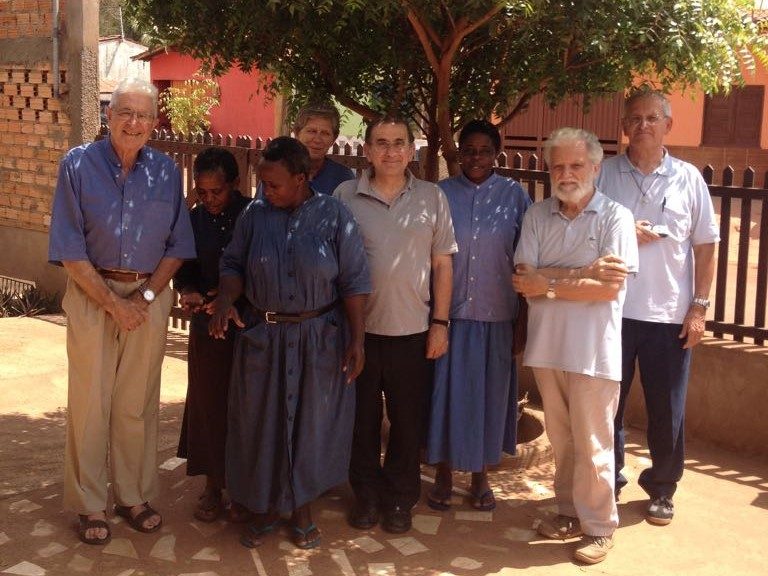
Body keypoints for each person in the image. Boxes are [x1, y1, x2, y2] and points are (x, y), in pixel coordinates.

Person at [48, 78, 196, 545]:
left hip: (147, 298)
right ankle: (91, 504)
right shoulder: (77, 165)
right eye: (125, 112)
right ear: (108, 115)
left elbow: (178, 245)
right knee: (91, 404)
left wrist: (146, 299)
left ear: (154, 123)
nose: (134, 123)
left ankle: (133, 496)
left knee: (137, 403)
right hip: (93, 295)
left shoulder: (167, 173)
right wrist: (113, 302)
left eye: (143, 115)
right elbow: (70, 249)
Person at [209, 136, 370, 550]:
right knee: (260, 424)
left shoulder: (335, 216)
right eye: (262, 184)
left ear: (302, 178)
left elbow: (354, 281)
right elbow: (232, 262)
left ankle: (302, 511)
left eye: (275, 184)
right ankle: (263, 509)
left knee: (312, 425)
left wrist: (358, 340)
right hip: (264, 336)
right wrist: (226, 298)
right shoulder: (254, 216)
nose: (266, 191)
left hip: (319, 338)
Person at [513, 127, 638, 564]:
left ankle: (600, 526)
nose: (566, 174)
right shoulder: (536, 215)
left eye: (576, 165)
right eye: (558, 166)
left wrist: (547, 281)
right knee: (563, 440)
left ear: (595, 167)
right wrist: (578, 274)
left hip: (594, 351)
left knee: (594, 442)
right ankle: (567, 510)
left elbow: (607, 290)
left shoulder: (616, 217)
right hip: (548, 349)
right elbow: (523, 279)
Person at [597, 89, 719, 525]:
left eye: (653, 117)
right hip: (609, 312)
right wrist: (623, 225)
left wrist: (698, 308)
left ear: (668, 124)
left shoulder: (688, 179)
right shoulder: (604, 174)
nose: (644, 124)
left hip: (669, 317)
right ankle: (606, 483)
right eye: (636, 117)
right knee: (606, 404)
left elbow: (705, 247)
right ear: (625, 126)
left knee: (667, 408)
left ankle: (663, 488)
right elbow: (582, 224)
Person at [335, 115, 457, 534]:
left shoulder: (432, 197)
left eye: (398, 143)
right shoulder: (344, 196)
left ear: (412, 150)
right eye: (381, 143)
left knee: (407, 423)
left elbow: (442, 263)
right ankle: (366, 496)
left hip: (413, 333)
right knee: (361, 422)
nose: (390, 151)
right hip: (359, 336)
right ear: (366, 150)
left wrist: (440, 322)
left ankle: (401, 499)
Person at [426, 120, 531, 512]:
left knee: (488, 400)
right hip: (447, 315)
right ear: (457, 154)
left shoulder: (515, 197)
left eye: (484, 150)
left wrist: (522, 319)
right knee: (445, 397)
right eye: (468, 150)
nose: (475, 158)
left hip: (496, 315)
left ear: (496, 154)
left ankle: (481, 478)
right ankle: (443, 474)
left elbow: (525, 260)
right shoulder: (440, 194)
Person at [174, 147, 251, 523]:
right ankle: (212, 485)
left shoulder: (254, 217)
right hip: (207, 332)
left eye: (216, 192)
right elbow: (184, 269)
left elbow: (264, 272)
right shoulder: (194, 220)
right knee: (208, 407)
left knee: (245, 409)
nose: (209, 200)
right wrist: (187, 292)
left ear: (234, 185)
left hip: (246, 329)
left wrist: (235, 302)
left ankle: (243, 487)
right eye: (202, 193)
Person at [292, 103, 356, 194]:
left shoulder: (343, 177)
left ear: (334, 139)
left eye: (325, 133)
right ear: (297, 133)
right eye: (312, 131)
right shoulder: (277, 171)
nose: (317, 140)